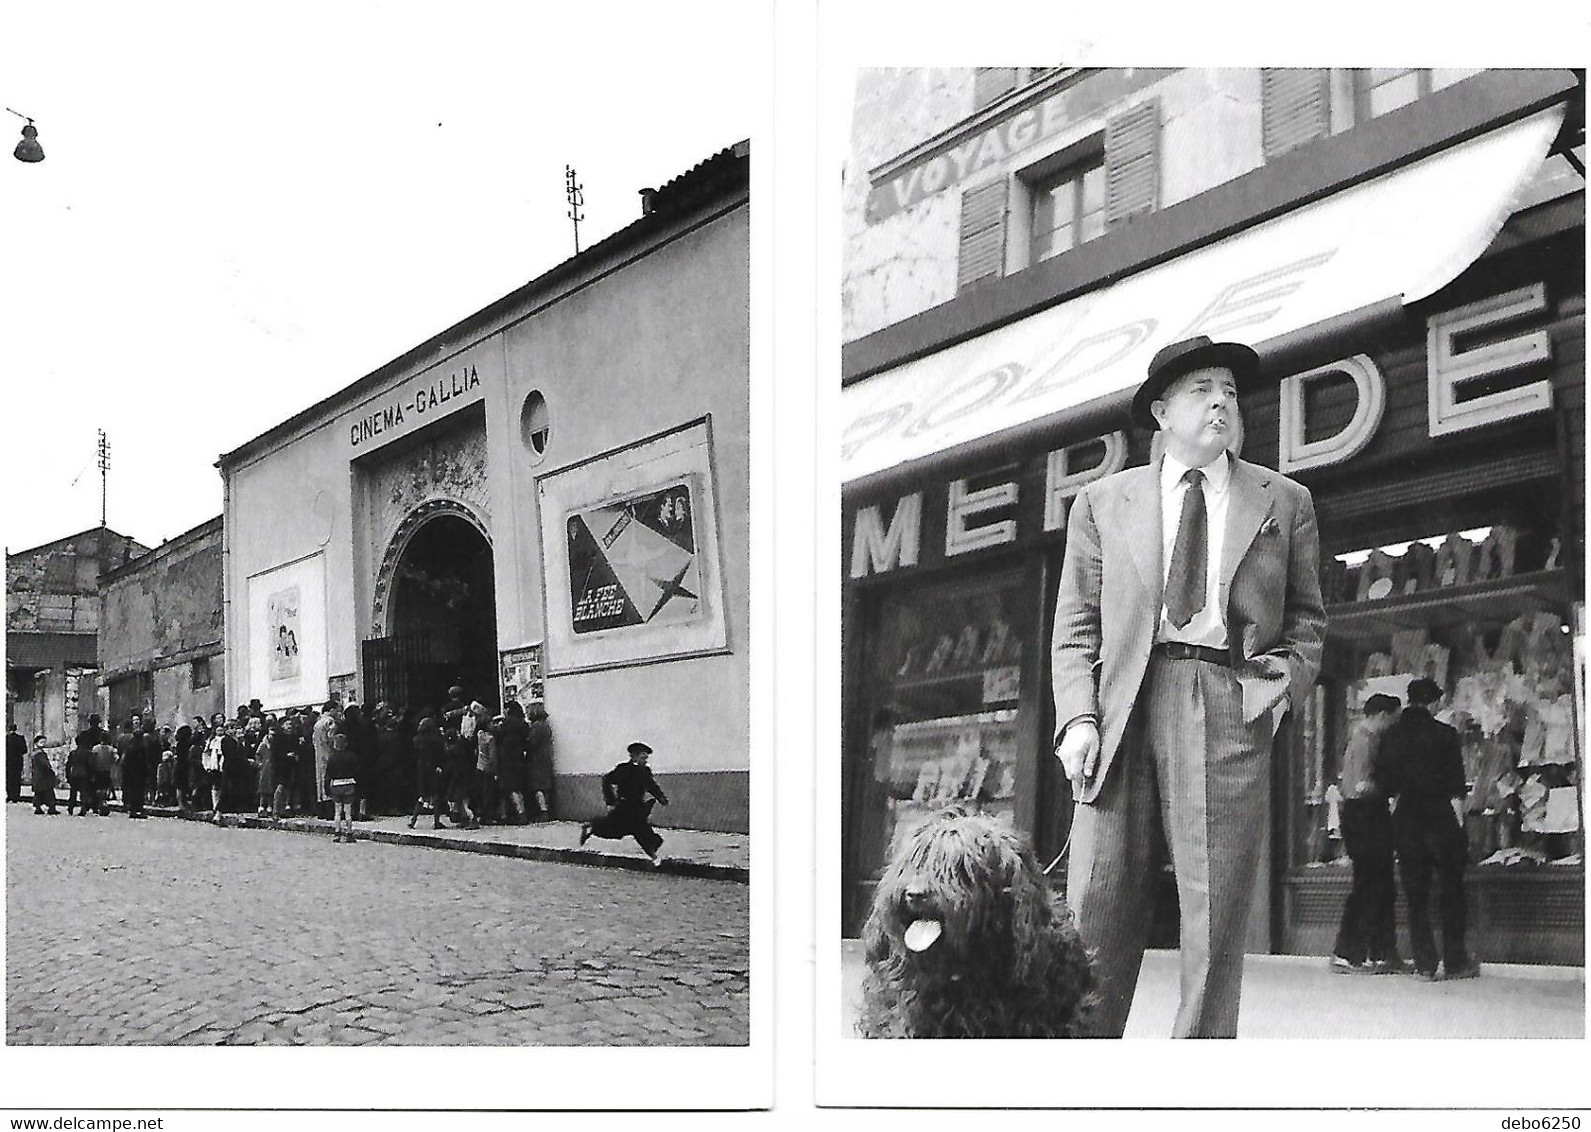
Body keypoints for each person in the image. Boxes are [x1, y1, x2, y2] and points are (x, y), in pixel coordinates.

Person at [1051, 336, 1327, 1038]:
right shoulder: (1100, 503)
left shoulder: (1283, 501)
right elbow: (1075, 627)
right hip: (1121, 708)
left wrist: (1269, 695)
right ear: (1160, 410)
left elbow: (1306, 621)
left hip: (1225, 699)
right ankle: (1074, 1085)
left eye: (1230, 392)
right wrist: (1078, 721)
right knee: (1095, 902)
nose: (1221, 402)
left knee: (1213, 917)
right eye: (1203, 389)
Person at [1375, 677, 1479, 981]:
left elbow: (1384, 782)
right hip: (1440, 817)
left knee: (1416, 895)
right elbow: (1457, 786)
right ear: (1434, 703)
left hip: (1407, 818)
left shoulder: (1391, 735)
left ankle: (1425, 963)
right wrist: (1459, 821)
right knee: (1452, 891)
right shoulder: (1445, 734)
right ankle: (1455, 959)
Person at [1331, 694, 1405, 974]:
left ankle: (1381, 951)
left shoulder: (1364, 738)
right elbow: (1360, 785)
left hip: (1365, 816)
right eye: (1393, 718)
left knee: (1381, 884)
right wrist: (1389, 787)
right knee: (1368, 884)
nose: (1394, 725)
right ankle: (1347, 952)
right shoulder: (1364, 740)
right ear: (1383, 715)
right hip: (1364, 815)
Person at [580, 741, 670, 865]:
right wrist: (611, 800)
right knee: (633, 831)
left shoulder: (645, 771)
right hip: (624, 807)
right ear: (634, 756)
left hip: (637, 807)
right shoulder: (623, 769)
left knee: (634, 831)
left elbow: (651, 785)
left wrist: (661, 798)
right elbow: (607, 780)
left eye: (646, 758)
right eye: (643, 757)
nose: (645, 761)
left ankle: (591, 827)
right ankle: (654, 857)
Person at [408, 717, 450, 830]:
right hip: (432, 768)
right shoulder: (436, 740)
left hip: (421, 768)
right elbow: (440, 755)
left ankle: (413, 820)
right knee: (436, 795)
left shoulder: (417, 740)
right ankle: (436, 821)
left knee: (423, 795)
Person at [496, 702, 530, 824]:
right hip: (519, 758)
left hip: (507, 760)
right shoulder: (522, 724)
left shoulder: (507, 723)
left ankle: (521, 814)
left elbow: (498, 735)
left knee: (511, 788)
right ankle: (512, 814)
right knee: (517, 788)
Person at [324, 732, 360, 844]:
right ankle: (349, 833)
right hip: (349, 784)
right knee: (348, 811)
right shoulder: (352, 757)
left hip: (336, 785)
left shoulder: (332, 758)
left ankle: (337, 833)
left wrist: (326, 788)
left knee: (337, 811)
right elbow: (357, 772)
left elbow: (328, 775)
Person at [524, 705, 554, 821]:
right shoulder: (547, 726)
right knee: (545, 786)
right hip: (546, 757)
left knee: (538, 786)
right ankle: (546, 810)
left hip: (537, 758)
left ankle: (543, 811)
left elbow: (532, 743)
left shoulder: (536, 727)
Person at [312, 701, 340, 819]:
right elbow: (332, 738)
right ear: (332, 709)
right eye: (336, 710)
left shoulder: (317, 723)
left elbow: (313, 740)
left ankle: (321, 809)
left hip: (318, 754)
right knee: (329, 779)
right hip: (329, 753)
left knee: (320, 779)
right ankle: (329, 810)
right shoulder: (330, 722)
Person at [65, 733, 94, 816]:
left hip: (74, 774)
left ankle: (71, 806)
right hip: (84, 774)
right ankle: (83, 808)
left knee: (73, 792)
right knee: (83, 792)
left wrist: (68, 776)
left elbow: (68, 765)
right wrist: (92, 775)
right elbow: (90, 765)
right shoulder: (88, 753)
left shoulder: (73, 753)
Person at [31, 736, 60, 815]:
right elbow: (45, 764)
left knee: (39, 793)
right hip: (43, 776)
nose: (43, 744)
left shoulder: (36, 753)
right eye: (41, 742)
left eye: (44, 742)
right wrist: (50, 769)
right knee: (49, 793)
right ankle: (51, 807)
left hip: (38, 776)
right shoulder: (39, 754)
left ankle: (38, 807)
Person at [90, 736, 117, 816]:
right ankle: (102, 804)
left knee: (96, 789)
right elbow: (115, 759)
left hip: (97, 771)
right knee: (104, 789)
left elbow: (92, 760)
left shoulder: (95, 749)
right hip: (106, 772)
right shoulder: (111, 749)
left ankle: (96, 806)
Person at [6, 723, 26, 804]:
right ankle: (16, 796)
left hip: (7, 762)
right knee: (17, 779)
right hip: (17, 762)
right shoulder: (20, 738)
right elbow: (24, 750)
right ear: (16, 729)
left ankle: (9, 795)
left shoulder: (6, 739)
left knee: (8, 779)